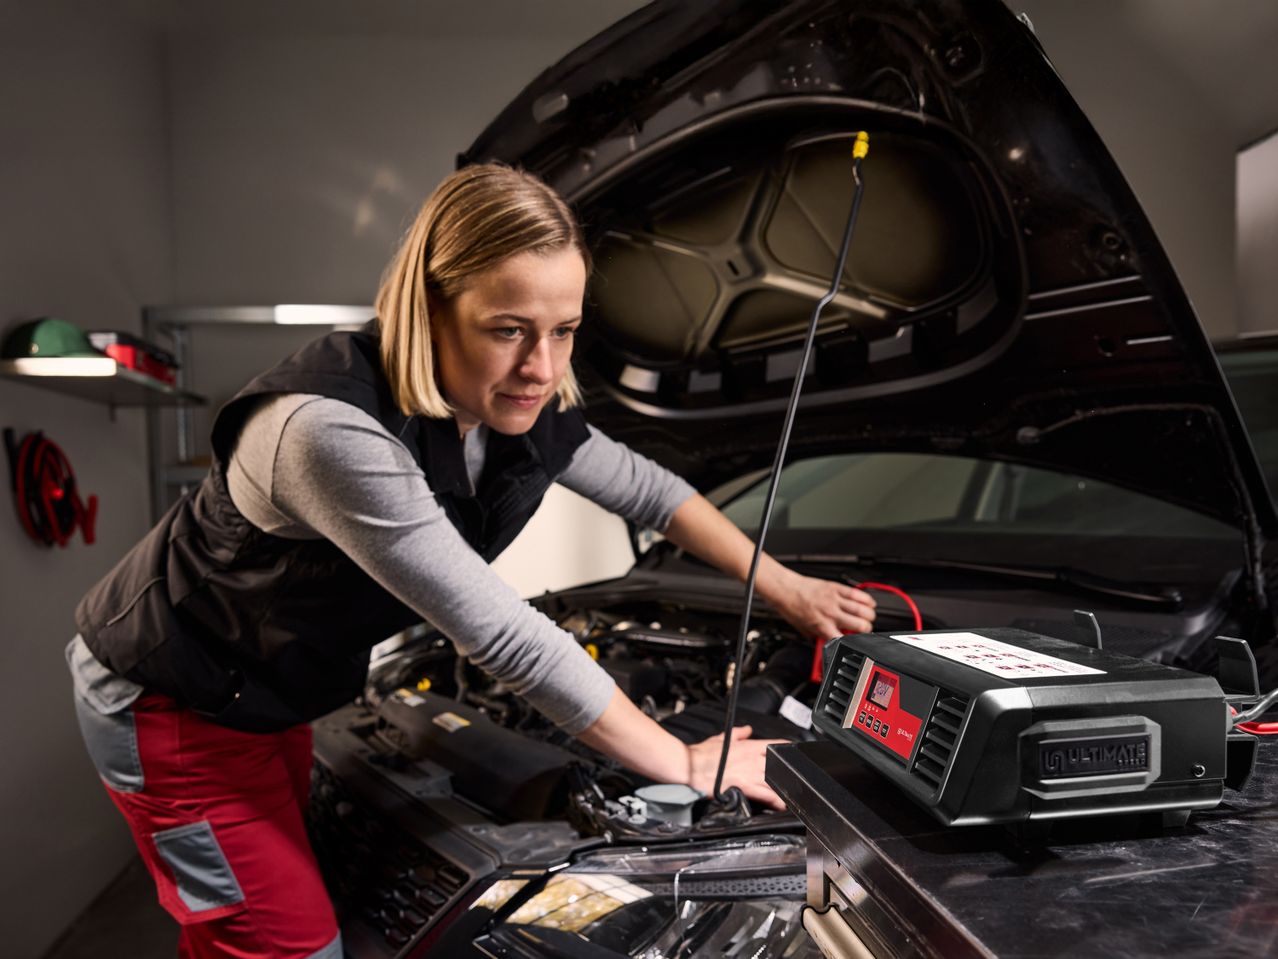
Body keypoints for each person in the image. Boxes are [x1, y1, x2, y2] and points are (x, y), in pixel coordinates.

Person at [67, 163, 877, 958]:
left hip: (269, 691)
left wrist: (789, 587)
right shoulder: (328, 431)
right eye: (508, 329)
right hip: (169, 702)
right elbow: (499, 632)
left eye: (564, 330)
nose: (544, 369)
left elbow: (651, 490)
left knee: (241, 917)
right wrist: (686, 759)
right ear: (428, 308)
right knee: (290, 942)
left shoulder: (514, 405)